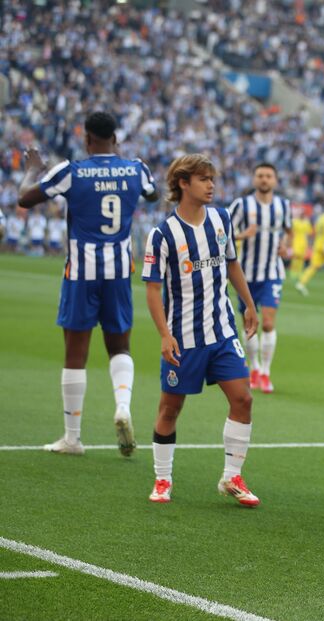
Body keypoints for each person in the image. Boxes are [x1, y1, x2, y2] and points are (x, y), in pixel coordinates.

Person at [17, 111, 159, 456]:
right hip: (119, 273)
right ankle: (123, 406)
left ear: (86, 138)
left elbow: (25, 198)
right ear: (116, 137)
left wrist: (33, 168)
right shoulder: (136, 169)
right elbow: (154, 194)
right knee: (119, 346)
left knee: (75, 354)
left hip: (81, 273)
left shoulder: (71, 171)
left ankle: (72, 438)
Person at [141, 153, 260, 506]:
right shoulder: (163, 234)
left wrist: (249, 305)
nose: (211, 185)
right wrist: (165, 334)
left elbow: (232, 264)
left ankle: (231, 476)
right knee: (170, 409)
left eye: (212, 179)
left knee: (243, 398)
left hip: (222, 331)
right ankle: (163, 480)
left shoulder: (221, 219)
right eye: (204, 179)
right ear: (183, 183)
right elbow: (152, 288)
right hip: (184, 337)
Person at [228, 163, 292, 394]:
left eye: (268, 176)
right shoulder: (241, 205)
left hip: (271, 273)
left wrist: (286, 247)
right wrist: (242, 235)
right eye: (260, 176)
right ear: (254, 179)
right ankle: (253, 368)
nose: (264, 179)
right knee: (249, 323)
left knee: (267, 322)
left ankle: (265, 372)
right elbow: (222, 232)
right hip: (244, 275)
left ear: (275, 180)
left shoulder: (283, 206)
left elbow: (289, 232)